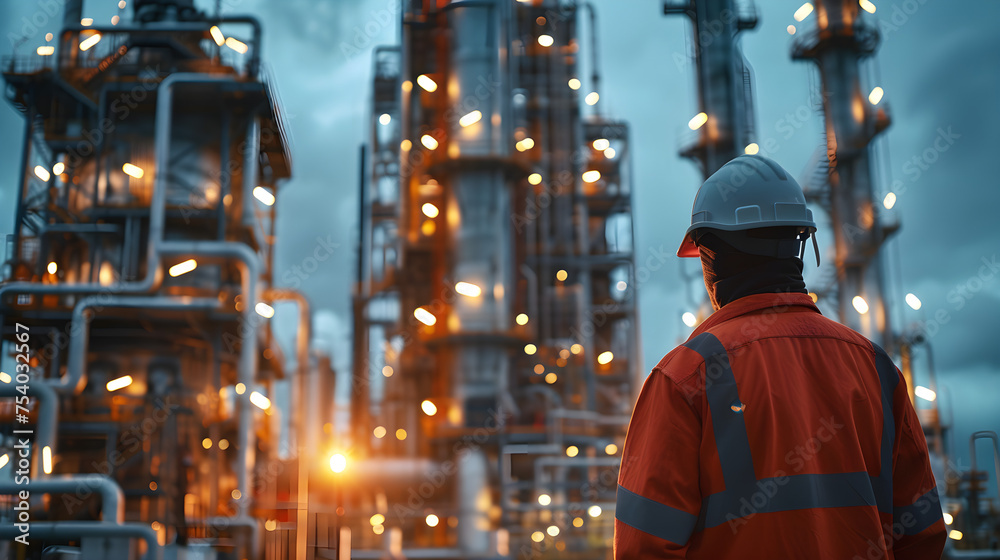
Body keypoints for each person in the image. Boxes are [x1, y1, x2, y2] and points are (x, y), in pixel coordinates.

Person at [614, 155, 945, 559]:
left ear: (709, 254)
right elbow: (923, 534)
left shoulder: (685, 377)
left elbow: (642, 547)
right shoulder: (875, 367)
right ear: (801, 244)